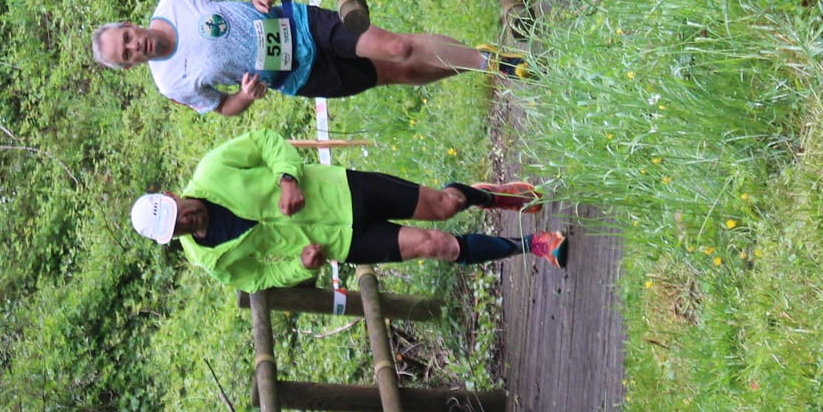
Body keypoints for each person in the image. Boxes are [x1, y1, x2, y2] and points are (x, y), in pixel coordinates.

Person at [128, 128, 566, 293]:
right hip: (341, 241)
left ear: (170, 195)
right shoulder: (211, 260)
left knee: (444, 206)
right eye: (176, 231)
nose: (186, 222)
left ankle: (492, 196)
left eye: (177, 213)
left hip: (341, 191)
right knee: (438, 246)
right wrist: (302, 267)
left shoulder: (213, 169)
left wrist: (288, 178)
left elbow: (265, 141)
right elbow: (261, 279)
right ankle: (535, 245)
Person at [91, 0, 531, 116]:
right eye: (127, 55)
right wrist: (245, 97)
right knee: (399, 72)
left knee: (396, 46)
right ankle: (479, 59)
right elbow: (221, 106)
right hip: (296, 75)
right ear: (130, 66)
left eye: (127, 38)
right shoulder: (170, 83)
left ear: (130, 24)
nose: (135, 47)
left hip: (298, 25)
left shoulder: (174, 0)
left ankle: (493, 63)